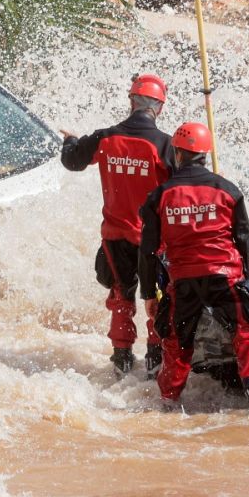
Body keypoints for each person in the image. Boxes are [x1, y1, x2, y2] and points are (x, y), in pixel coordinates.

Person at [139, 122, 249, 411]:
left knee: (176, 342)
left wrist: (149, 295)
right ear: (206, 154)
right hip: (226, 276)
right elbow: (244, 242)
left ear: (177, 155)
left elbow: (149, 252)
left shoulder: (158, 196)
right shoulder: (229, 190)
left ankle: (168, 401)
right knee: (247, 330)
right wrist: (248, 284)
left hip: (183, 282)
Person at [60, 73, 176, 375]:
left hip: (114, 236)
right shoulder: (165, 145)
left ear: (131, 101)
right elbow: (183, 187)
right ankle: (155, 359)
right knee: (157, 297)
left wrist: (71, 141)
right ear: (159, 108)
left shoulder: (106, 138)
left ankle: (122, 359)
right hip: (152, 240)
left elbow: (72, 161)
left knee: (120, 295)